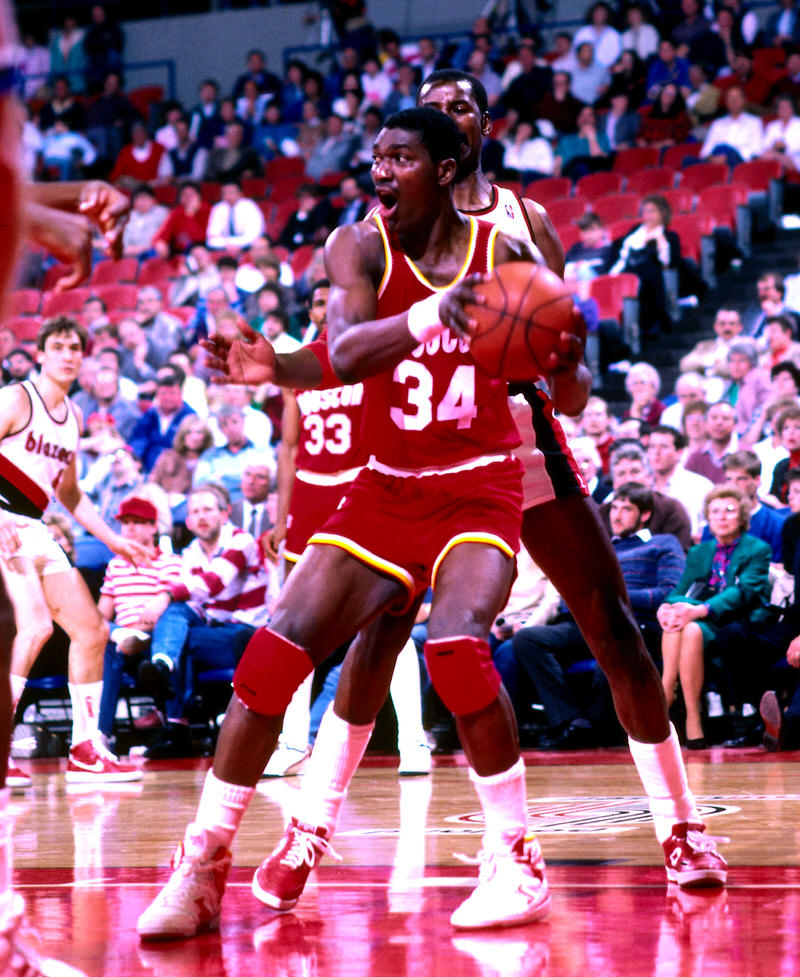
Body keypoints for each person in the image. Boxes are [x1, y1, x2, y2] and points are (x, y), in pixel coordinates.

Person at [138, 105, 562, 940]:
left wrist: (562, 350)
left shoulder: (503, 255)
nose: (380, 171)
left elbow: (559, 375)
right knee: (270, 655)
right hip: (384, 487)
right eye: (376, 157)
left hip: (478, 486)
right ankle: (204, 863)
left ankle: (516, 856)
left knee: (457, 649)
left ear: (444, 171)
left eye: (400, 157)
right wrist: (282, 365)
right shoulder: (356, 243)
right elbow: (349, 346)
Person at [0, 314, 150, 793]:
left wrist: (114, 539)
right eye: (59, 346)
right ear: (40, 353)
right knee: (37, 627)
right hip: (3, 520)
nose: (69, 354)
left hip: (36, 527)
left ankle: (86, 749)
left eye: (76, 348)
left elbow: (71, 493)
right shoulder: (17, 397)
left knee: (91, 631)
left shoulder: (74, 417)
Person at [513, 482, 685, 748]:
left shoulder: (663, 544)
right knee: (528, 639)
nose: (616, 515)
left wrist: (610, 598)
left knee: (613, 649)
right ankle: (571, 721)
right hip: (590, 621)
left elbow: (666, 593)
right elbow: (572, 594)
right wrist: (595, 600)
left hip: (635, 624)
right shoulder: (601, 544)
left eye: (627, 509)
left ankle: (599, 728)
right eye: (614, 507)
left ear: (645, 514)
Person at [141, 483, 274, 758]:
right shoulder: (191, 552)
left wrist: (166, 595)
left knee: (178, 627)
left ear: (224, 514)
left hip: (247, 634)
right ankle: (163, 665)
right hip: (214, 632)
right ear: (188, 521)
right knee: (178, 619)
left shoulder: (241, 540)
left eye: (208, 510)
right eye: (195, 512)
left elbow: (212, 584)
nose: (201, 517)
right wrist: (170, 602)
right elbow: (197, 604)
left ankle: (177, 725)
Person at [658, 485, 771, 747]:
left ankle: (668, 697)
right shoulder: (700, 551)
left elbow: (743, 593)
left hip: (737, 624)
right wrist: (665, 607)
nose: (722, 516)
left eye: (730, 510)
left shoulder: (757, 549)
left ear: (742, 516)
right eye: (715, 511)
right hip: (696, 622)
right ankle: (690, 716)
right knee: (681, 627)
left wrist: (698, 610)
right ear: (708, 518)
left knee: (689, 627)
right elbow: (679, 591)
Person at [97, 496, 183, 744]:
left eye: (137, 522)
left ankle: (104, 732)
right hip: (120, 640)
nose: (130, 528)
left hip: (152, 642)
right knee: (105, 643)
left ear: (153, 527)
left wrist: (127, 632)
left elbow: (161, 619)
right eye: (125, 523)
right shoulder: (115, 565)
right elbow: (101, 616)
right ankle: (102, 734)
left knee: (122, 643)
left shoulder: (169, 562)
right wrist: (114, 632)